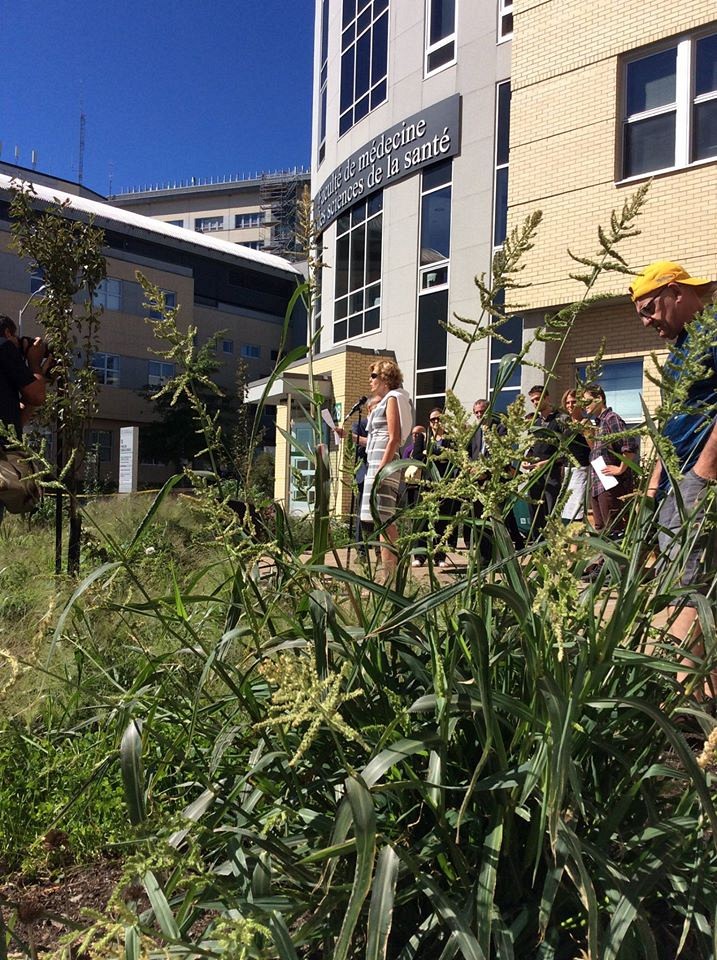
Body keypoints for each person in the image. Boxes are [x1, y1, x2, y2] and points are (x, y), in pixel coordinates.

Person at [629, 260, 717, 701]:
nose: (647, 322)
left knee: (687, 587)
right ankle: (699, 700)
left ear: (677, 292)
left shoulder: (712, 332)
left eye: (649, 309)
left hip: (697, 482)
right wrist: (653, 486)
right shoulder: (684, 345)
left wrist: (704, 471)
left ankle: (687, 707)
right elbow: (670, 423)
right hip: (674, 484)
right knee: (675, 584)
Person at [341, 359, 412, 581]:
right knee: (379, 521)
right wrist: (348, 436)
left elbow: (394, 438)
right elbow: (373, 440)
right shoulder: (384, 402)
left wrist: (382, 469)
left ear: (385, 378)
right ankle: (388, 575)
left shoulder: (392, 399)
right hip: (375, 465)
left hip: (384, 466)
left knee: (384, 521)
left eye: (373, 376)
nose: (369, 380)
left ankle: (390, 577)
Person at [583, 383, 638, 536]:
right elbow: (596, 451)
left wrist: (620, 469)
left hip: (610, 485)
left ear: (599, 398)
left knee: (613, 527)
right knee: (600, 528)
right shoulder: (598, 424)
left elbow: (629, 445)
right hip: (597, 483)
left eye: (587, 401)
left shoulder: (611, 418)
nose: (585, 406)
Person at [411, 408, 458, 568]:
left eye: (439, 419)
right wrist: (434, 456)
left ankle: (440, 556)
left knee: (441, 521)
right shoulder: (423, 436)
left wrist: (431, 455)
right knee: (423, 519)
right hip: (426, 483)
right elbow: (417, 456)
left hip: (444, 483)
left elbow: (454, 457)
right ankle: (420, 556)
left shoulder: (450, 438)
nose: (436, 422)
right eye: (433, 420)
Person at [521, 386, 564, 539]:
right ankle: (537, 545)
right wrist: (526, 459)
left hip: (552, 474)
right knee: (535, 511)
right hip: (535, 474)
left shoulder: (560, 419)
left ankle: (553, 544)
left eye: (538, 399)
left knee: (552, 512)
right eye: (532, 400)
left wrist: (546, 463)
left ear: (547, 398)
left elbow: (565, 450)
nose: (535, 403)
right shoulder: (535, 421)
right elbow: (532, 446)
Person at [559, 388, 592, 524]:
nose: (570, 405)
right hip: (567, 469)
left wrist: (584, 431)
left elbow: (593, 446)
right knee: (567, 507)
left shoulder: (586, 423)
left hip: (581, 469)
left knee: (577, 507)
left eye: (573, 402)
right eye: (567, 403)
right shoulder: (567, 424)